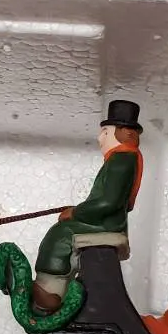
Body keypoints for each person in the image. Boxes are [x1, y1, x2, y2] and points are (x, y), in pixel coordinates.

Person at [32, 100, 144, 314]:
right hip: (107, 220)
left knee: (61, 233)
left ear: (125, 133)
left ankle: (51, 290)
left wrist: (76, 212)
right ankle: (56, 286)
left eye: (105, 132)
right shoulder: (122, 159)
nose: (100, 138)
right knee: (63, 228)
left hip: (107, 224)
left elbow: (108, 202)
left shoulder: (121, 160)